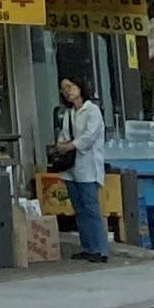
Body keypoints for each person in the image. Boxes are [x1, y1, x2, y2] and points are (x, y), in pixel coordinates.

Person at [52, 74, 111, 262]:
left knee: (91, 208)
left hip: (88, 166)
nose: (67, 92)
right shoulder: (69, 113)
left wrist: (69, 146)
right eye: (64, 89)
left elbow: (89, 137)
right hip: (71, 168)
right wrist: (61, 145)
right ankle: (88, 247)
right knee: (79, 209)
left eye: (70, 87)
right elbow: (64, 134)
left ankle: (100, 249)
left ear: (79, 87)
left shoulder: (92, 111)